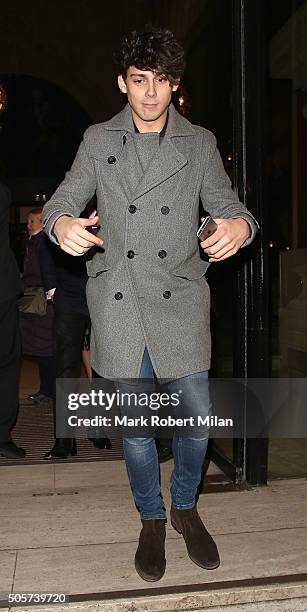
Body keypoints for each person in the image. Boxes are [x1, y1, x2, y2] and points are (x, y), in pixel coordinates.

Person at [43, 26, 258, 581]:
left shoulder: (200, 143)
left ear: (174, 85)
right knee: (136, 428)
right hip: (118, 303)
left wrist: (240, 225)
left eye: (161, 80)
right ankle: (152, 517)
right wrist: (61, 222)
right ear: (123, 83)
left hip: (180, 298)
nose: (150, 93)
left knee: (194, 420)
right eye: (140, 80)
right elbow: (62, 202)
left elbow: (232, 207)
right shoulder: (97, 140)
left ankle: (185, 507)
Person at [39, 207, 112, 459]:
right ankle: (64, 441)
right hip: (69, 297)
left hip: (106, 298)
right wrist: (52, 290)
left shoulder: (116, 205)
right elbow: (45, 246)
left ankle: (98, 429)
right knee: (65, 370)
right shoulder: (70, 206)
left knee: (103, 370)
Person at [0, 182, 25, 458]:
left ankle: (3, 435)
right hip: (4, 290)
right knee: (6, 366)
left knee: (6, 365)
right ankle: (2, 436)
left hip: (3, 292)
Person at [20, 208, 55, 405]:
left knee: (47, 350)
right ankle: (46, 390)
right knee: (41, 351)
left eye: (32, 221)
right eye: (28, 221)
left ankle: (52, 391)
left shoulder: (43, 243)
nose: (28, 225)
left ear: (43, 223)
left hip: (42, 304)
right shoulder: (33, 242)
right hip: (35, 301)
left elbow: (42, 273)